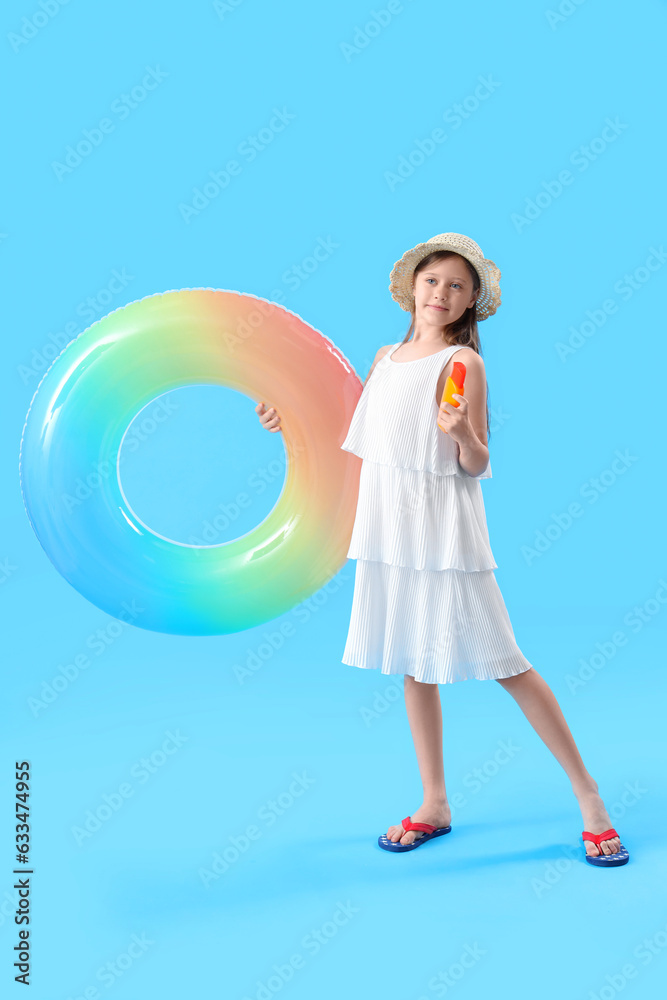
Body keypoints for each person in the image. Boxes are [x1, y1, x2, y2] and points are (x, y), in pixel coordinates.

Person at [256, 232, 629, 867]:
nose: (442, 293)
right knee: (414, 662)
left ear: (470, 303)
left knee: (507, 662)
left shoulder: (464, 366)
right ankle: (435, 802)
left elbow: (478, 460)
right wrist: (285, 417)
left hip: (445, 532)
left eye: (457, 286)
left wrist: (461, 432)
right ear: (413, 287)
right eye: (434, 280)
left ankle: (590, 798)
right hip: (389, 530)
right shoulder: (384, 358)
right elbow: (356, 435)